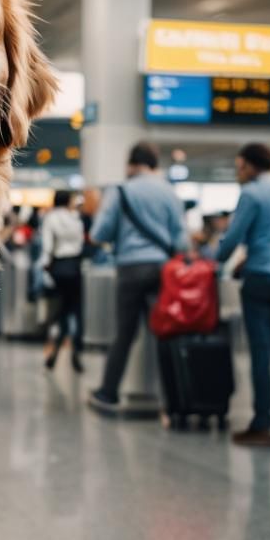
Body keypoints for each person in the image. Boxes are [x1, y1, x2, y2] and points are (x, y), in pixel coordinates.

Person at [88, 143, 188, 411]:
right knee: (164, 331)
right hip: (162, 269)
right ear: (153, 165)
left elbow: (99, 233)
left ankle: (108, 393)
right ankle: (174, 399)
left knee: (124, 333)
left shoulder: (120, 192)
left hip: (130, 269)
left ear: (131, 164)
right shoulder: (169, 192)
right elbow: (181, 239)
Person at [216, 143, 270, 448]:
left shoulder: (253, 194)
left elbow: (232, 240)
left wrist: (215, 260)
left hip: (260, 279)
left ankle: (262, 423)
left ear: (253, 166)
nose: (239, 172)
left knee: (260, 352)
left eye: (240, 166)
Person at [40, 190, 85, 372]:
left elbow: (47, 246)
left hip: (57, 268)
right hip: (74, 267)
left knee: (61, 308)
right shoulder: (75, 219)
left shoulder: (50, 218)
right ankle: (75, 350)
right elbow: (80, 243)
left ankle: (55, 346)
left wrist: (45, 268)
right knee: (75, 309)